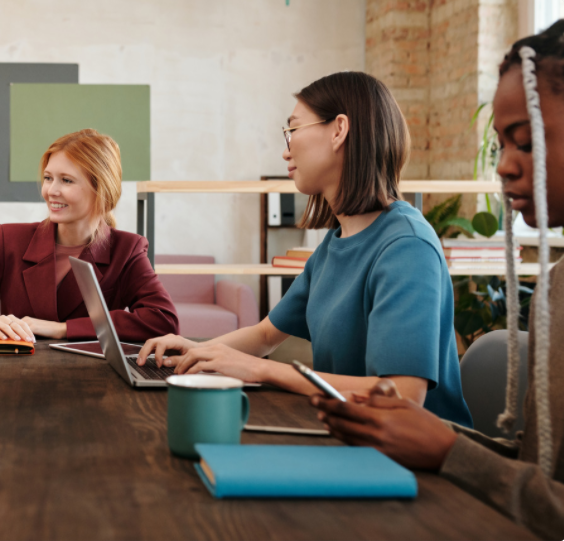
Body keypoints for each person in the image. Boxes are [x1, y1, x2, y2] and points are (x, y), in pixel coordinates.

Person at [314, 21, 564, 539]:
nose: (506, 168)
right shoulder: (557, 287)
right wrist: (430, 435)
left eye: (527, 142)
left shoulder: (404, 241)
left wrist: (450, 450)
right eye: (501, 146)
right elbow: (542, 472)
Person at [138, 71, 472, 427]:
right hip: (350, 434)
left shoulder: (407, 247)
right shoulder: (335, 242)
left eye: (293, 129)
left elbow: (403, 395)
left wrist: (261, 370)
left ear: (339, 130)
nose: (286, 149)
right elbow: (267, 334)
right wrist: (196, 350)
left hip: (415, 462)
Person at [0, 129, 178, 343]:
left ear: (102, 189)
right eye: (48, 178)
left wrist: (63, 329)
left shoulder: (126, 249)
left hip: (93, 385)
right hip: (14, 382)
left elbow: (163, 321)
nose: (51, 190)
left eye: (66, 180)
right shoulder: (10, 241)